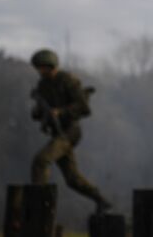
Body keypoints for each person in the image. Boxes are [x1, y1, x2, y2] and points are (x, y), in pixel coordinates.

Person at [28, 48, 112, 213]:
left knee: (41, 161)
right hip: (57, 132)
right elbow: (38, 113)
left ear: (51, 66)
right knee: (72, 179)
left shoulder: (68, 80)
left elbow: (84, 108)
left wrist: (61, 111)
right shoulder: (43, 85)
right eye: (38, 67)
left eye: (42, 67)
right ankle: (101, 200)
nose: (39, 71)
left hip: (69, 131)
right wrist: (39, 111)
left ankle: (38, 201)